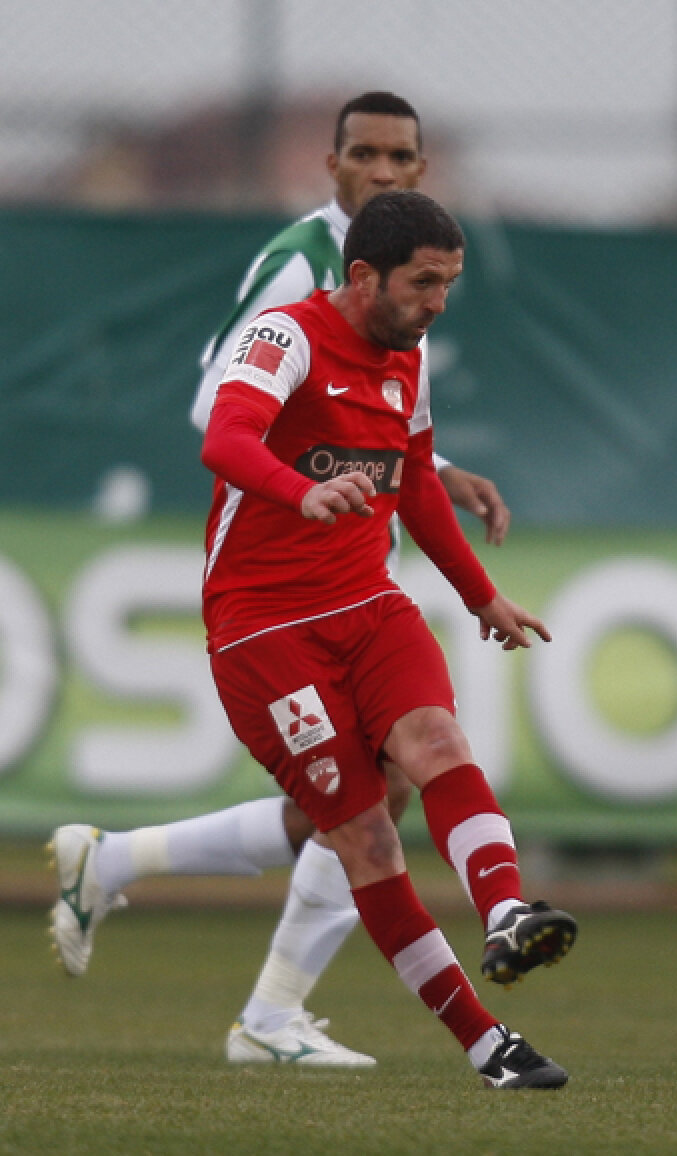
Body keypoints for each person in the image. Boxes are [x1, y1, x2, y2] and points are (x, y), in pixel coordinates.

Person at [47, 92, 515, 1069]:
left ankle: (137, 878)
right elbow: (228, 411)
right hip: (277, 579)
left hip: (350, 565)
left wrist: (424, 470)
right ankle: (268, 1011)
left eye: (404, 156)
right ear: (331, 162)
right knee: (360, 809)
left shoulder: (405, 287)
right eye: (367, 154)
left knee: (363, 796)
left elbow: (387, 424)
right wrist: (307, 484)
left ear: (422, 170)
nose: (385, 171)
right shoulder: (302, 268)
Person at [132, 189, 571, 1087]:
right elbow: (226, 438)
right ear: (363, 276)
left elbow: (411, 481)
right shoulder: (285, 336)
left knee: (438, 743)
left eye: (449, 284)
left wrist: (482, 596)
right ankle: (488, 1046)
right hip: (266, 633)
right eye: (423, 283)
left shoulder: (407, 360)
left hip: (369, 606)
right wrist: (299, 490)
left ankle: (506, 915)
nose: (437, 302)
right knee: (365, 837)